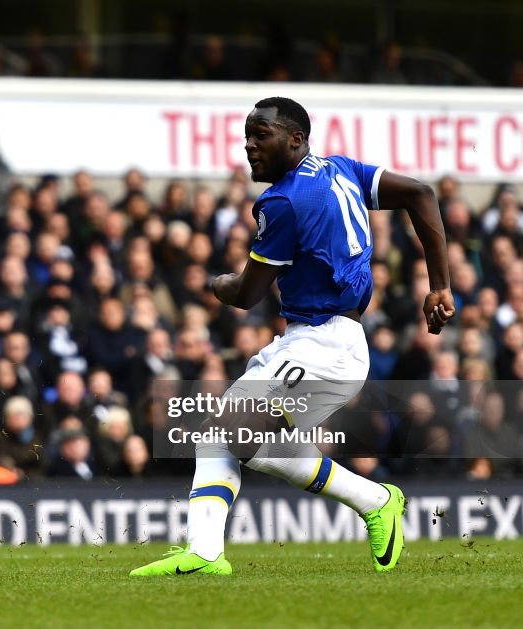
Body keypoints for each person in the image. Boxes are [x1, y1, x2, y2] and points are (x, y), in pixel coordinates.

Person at [130, 97, 454, 577]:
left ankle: (204, 553)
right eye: (247, 137)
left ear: (295, 138)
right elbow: (421, 193)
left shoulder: (283, 202)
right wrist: (440, 284)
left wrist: (216, 283)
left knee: (224, 431)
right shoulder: (342, 170)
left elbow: (245, 294)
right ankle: (375, 499)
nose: (250, 146)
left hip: (323, 345)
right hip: (320, 342)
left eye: (261, 135)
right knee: (254, 447)